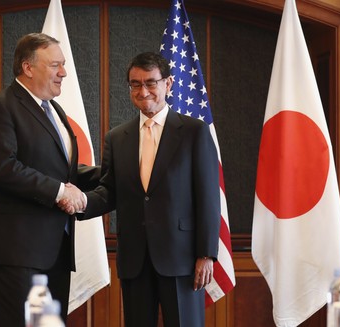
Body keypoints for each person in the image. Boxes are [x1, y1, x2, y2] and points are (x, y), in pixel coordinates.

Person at [61, 52, 221, 327]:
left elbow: (208, 197)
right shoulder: (117, 137)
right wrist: (80, 202)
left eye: (151, 82)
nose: (143, 91)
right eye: (135, 84)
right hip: (135, 260)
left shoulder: (194, 132)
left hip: (181, 259)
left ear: (168, 84)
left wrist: (206, 254)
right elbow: (110, 190)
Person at [0, 32, 98, 327]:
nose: (63, 72)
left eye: (63, 65)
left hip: (53, 252)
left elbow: (62, 172)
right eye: (56, 65)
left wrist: (116, 171)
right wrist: (59, 192)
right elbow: (0, 167)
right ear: (28, 67)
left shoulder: (54, 110)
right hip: (15, 253)